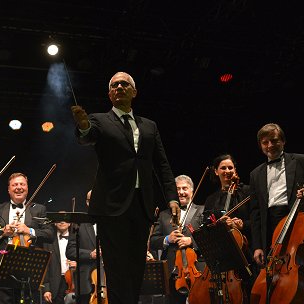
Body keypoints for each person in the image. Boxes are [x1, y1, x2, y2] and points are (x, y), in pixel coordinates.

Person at [70, 71, 180, 304]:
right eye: (114, 85)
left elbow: (161, 163)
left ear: (134, 91)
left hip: (141, 206)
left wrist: (172, 197)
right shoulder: (99, 120)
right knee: (116, 268)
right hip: (111, 206)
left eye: (125, 84)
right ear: (110, 94)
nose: (120, 87)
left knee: (136, 268)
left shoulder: (149, 126)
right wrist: (82, 126)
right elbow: (88, 137)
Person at [249, 123, 304, 303]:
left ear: (283, 141)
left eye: (274, 141)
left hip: (297, 222)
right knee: (272, 281)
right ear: (260, 146)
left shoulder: (301, 161)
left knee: (301, 272)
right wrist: (258, 245)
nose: (270, 146)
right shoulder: (255, 174)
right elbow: (256, 212)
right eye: (265, 143)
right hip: (270, 225)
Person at [0, 172, 55, 304]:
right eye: (15, 184)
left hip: (29, 267)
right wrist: (3, 232)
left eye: (22, 184)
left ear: (27, 188)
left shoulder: (39, 209)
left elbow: (50, 234)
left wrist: (29, 230)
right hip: (0, 268)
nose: (19, 187)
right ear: (9, 190)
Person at [201, 154, 254, 301]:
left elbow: (258, 220)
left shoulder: (247, 192)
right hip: (221, 257)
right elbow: (205, 227)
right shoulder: (211, 200)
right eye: (223, 168)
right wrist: (217, 225)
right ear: (216, 171)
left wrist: (243, 224)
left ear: (235, 170)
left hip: (245, 253)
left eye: (230, 167)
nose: (227, 171)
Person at [150, 174, 203, 304]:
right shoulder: (163, 215)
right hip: (172, 272)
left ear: (192, 190)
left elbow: (209, 237)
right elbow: (152, 241)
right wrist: (168, 239)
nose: (181, 192)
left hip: (198, 269)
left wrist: (191, 241)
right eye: (177, 189)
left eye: (184, 188)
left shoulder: (202, 211)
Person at [65, 190, 98, 304]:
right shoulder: (79, 223)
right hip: (85, 283)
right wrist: (90, 254)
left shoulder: (112, 224)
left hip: (109, 281)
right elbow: (70, 251)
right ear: (87, 202)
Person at [42, 218, 77, 304]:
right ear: (54, 223)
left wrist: (77, 263)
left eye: (65, 220)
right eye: (59, 220)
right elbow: (45, 266)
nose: (62, 222)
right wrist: (46, 289)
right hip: (55, 283)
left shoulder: (78, 238)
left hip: (74, 280)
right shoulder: (48, 241)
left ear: (69, 223)